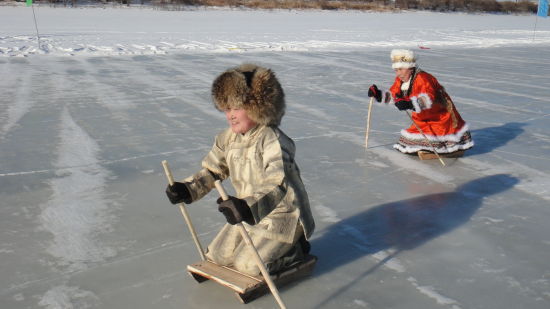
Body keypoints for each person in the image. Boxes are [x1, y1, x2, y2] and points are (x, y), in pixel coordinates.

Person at [164, 64, 315, 276]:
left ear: (258, 107)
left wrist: (246, 206)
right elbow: (213, 171)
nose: (230, 116)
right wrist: (187, 189)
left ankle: (295, 249)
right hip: (247, 214)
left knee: (248, 266)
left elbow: (277, 184)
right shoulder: (227, 138)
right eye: (226, 109)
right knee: (217, 256)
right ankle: (263, 242)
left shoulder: (273, 140)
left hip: (282, 216)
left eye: (236, 108)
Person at [368, 49, 474, 155]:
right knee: (410, 141)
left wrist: (408, 103)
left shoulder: (423, 79)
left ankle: (445, 147)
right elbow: (394, 95)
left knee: (438, 137)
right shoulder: (401, 80)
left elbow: (428, 99)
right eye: (396, 70)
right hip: (423, 118)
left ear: (410, 68)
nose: (398, 73)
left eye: (401, 69)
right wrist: (378, 94)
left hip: (440, 116)